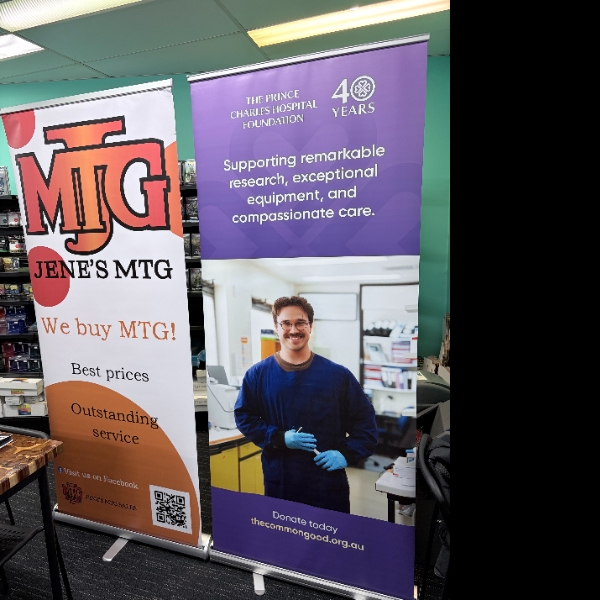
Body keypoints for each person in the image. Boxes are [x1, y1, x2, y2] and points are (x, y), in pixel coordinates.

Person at [234, 296, 378, 513]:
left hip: (327, 484)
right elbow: (245, 418)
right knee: (285, 532)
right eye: (286, 323)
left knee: (329, 533)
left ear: (311, 326)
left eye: (300, 323)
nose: (294, 330)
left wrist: (345, 454)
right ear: (276, 328)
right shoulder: (258, 375)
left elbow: (366, 427)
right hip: (281, 481)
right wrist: (280, 437)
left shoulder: (338, 376)